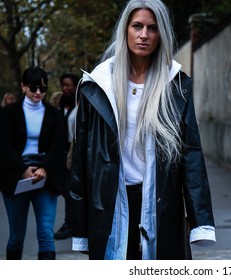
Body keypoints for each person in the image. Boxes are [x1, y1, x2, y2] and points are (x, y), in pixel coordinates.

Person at [70, 0, 215, 260]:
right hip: (110, 203)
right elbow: (82, 158)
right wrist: (79, 228)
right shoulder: (97, 85)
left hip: (161, 203)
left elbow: (191, 152)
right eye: (137, 26)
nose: (144, 35)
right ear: (125, 29)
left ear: (161, 34)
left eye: (152, 28)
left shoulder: (175, 84)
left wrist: (200, 222)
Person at [0, 66, 66, 260]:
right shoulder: (7, 114)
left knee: (46, 233)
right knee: (16, 237)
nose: (39, 92)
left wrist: (45, 167)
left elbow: (59, 146)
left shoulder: (55, 115)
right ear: (23, 87)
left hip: (45, 178)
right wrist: (21, 169)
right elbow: (3, 146)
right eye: (34, 87)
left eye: (43, 88)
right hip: (16, 176)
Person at [53, 73, 80, 240]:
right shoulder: (59, 106)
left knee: (72, 191)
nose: (65, 88)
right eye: (63, 85)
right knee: (66, 191)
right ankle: (71, 224)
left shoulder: (82, 104)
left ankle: (71, 225)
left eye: (69, 85)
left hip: (75, 154)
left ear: (76, 86)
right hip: (61, 154)